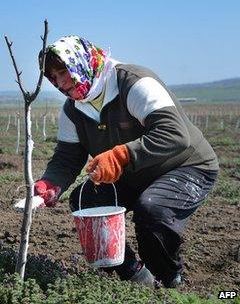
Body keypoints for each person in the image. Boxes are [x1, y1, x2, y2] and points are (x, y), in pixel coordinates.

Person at [33, 36, 218, 288]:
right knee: (85, 201)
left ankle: (170, 281)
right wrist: (50, 184)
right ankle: (135, 276)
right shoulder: (72, 109)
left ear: (82, 63)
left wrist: (120, 156)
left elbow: (174, 134)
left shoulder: (133, 83)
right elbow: (67, 158)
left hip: (186, 165)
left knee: (152, 210)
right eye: (53, 76)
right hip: (136, 173)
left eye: (64, 71)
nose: (61, 82)